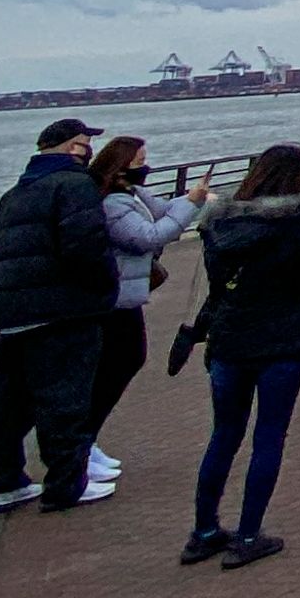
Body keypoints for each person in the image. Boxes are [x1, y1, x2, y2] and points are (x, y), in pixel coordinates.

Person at [181, 144, 300, 570]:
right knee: (269, 436)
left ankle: (203, 531)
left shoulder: (219, 224)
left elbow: (218, 283)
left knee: (224, 434)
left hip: (229, 339)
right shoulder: (294, 222)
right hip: (282, 339)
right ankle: (249, 534)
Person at [0, 117, 120, 513]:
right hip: (62, 312)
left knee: (10, 404)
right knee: (66, 400)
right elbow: (85, 247)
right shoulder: (75, 186)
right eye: (83, 142)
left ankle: (1, 482)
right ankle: (67, 484)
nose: (87, 149)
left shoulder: (14, 193)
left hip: (12, 311)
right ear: (72, 147)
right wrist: (104, 290)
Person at [85, 135, 207, 476]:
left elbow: (165, 211)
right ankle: (80, 444)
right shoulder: (112, 204)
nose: (145, 167)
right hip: (112, 300)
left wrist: (194, 199)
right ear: (120, 165)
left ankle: (85, 441)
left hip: (127, 297)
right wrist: (191, 204)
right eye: (139, 162)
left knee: (124, 361)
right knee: (118, 364)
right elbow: (148, 237)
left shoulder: (133, 195)